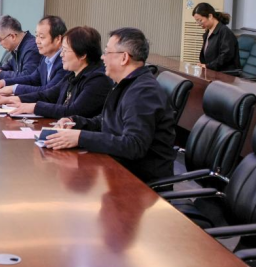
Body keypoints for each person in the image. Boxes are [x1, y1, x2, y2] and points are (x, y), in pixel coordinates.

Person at [45, 28, 176, 183]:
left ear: (124, 58)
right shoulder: (126, 84)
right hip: (118, 168)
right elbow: (108, 121)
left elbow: (134, 145)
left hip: (139, 182)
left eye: (107, 52)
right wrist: (75, 122)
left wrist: (80, 138)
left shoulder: (144, 92)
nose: (102, 57)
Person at [0, 26, 113, 119]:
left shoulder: (98, 80)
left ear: (82, 55)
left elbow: (72, 111)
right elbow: (48, 95)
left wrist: (34, 107)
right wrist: (14, 99)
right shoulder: (73, 74)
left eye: (65, 50)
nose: (61, 55)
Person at [0, 15, 67, 101]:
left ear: (58, 39)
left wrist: (14, 90)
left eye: (41, 37)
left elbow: (48, 92)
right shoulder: (46, 59)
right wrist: (3, 82)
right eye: (36, 36)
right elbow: (32, 79)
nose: (37, 41)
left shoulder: (64, 63)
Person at [0, 15, 42, 81]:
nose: (0, 44)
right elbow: (10, 65)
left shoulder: (31, 49)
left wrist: (0, 74)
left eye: (0, 39)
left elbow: (28, 76)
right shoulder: (19, 46)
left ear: (13, 36)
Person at [193, 2, 240, 71]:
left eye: (200, 20)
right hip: (212, 71)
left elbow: (226, 56)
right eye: (197, 21)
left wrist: (208, 66)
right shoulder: (208, 32)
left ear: (210, 16)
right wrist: (204, 65)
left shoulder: (225, 31)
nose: (199, 24)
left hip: (225, 74)